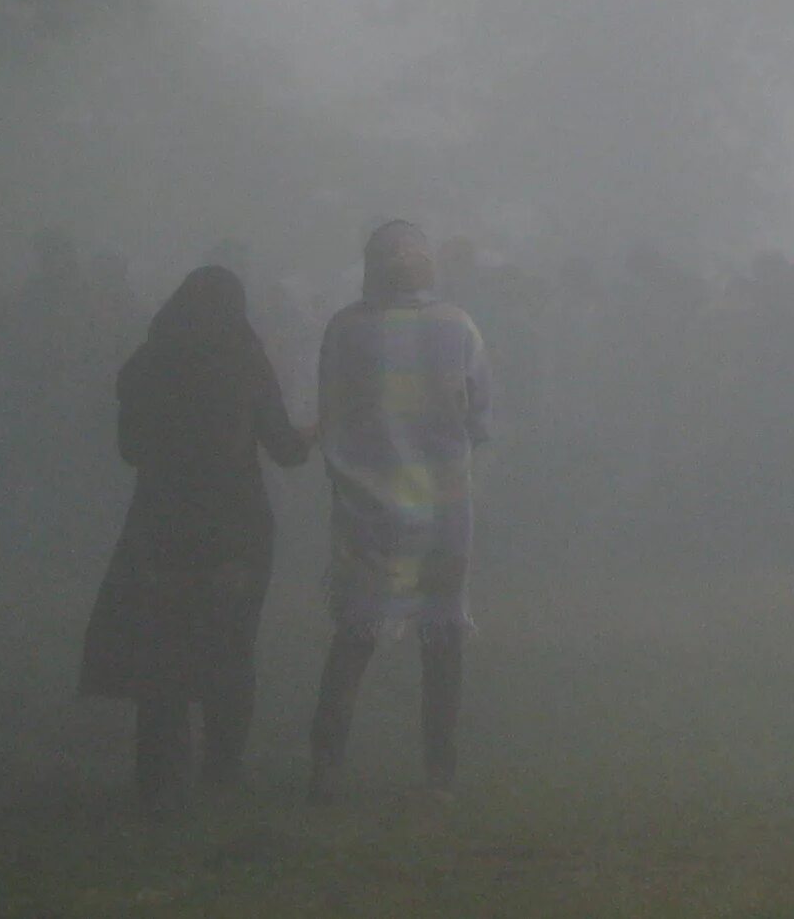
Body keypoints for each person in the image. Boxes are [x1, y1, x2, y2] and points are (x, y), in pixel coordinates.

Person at [78, 264, 308, 811]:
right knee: (231, 644)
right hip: (236, 527)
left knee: (162, 648)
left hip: (162, 525)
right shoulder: (246, 362)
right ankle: (221, 770)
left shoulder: (146, 365)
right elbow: (286, 449)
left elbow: (130, 450)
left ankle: (159, 777)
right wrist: (316, 432)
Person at [307, 220, 493, 802]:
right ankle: (440, 774)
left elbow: (331, 406)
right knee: (442, 640)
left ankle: (325, 766)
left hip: (369, 507)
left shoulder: (344, 329)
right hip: (444, 509)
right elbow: (479, 414)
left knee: (355, 635)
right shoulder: (458, 326)